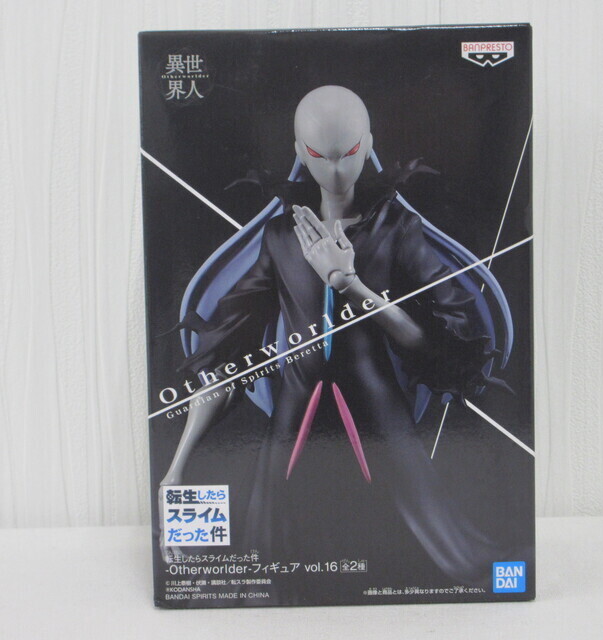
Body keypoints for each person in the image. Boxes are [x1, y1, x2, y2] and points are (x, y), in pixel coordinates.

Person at [159, 86, 513, 591]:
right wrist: (175, 469)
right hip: (291, 427)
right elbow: (228, 358)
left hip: (381, 423)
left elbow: (433, 340)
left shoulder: (396, 228)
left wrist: (351, 285)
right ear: (300, 153)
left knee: (429, 557)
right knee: (270, 566)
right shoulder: (281, 237)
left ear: (367, 145)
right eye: (320, 155)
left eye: (347, 153)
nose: (336, 169)